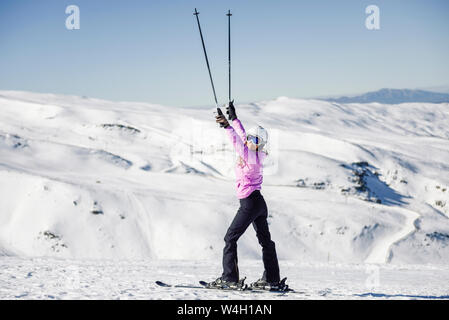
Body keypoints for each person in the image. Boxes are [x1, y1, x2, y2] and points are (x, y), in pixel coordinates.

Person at [208, 101, 282, 290]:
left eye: (256, 140)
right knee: (266, 241)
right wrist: (234, 118)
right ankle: (272, 279)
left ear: (261, 145)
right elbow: (241, 136)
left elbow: (237, 141)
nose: (251, 141)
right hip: (259, 202)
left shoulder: (252, 157)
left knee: (230, 238)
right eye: (251, 138)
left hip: (249, 203)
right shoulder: (251, 151)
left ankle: (229, 278)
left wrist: (226, 125)